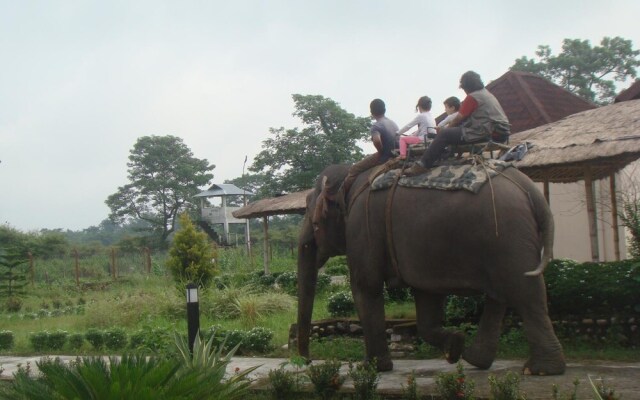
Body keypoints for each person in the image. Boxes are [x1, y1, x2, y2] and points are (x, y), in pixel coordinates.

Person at [405, 71, 510, 175]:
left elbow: (458, 118)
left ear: (466, 86)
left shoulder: (473, 97)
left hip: (487, 132)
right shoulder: (487, 94)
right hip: (500, 131)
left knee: (445, 134)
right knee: (455, 131)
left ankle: (423, 164)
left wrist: (446, 130)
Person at [343, 98, 398, 193]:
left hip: (387, 155)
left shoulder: (376, 126)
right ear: (384, 110)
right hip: (398, 152)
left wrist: (381, 152)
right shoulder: (392, 122)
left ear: (372, 112)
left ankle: (344, 197)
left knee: (354, 169)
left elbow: (377, 140)